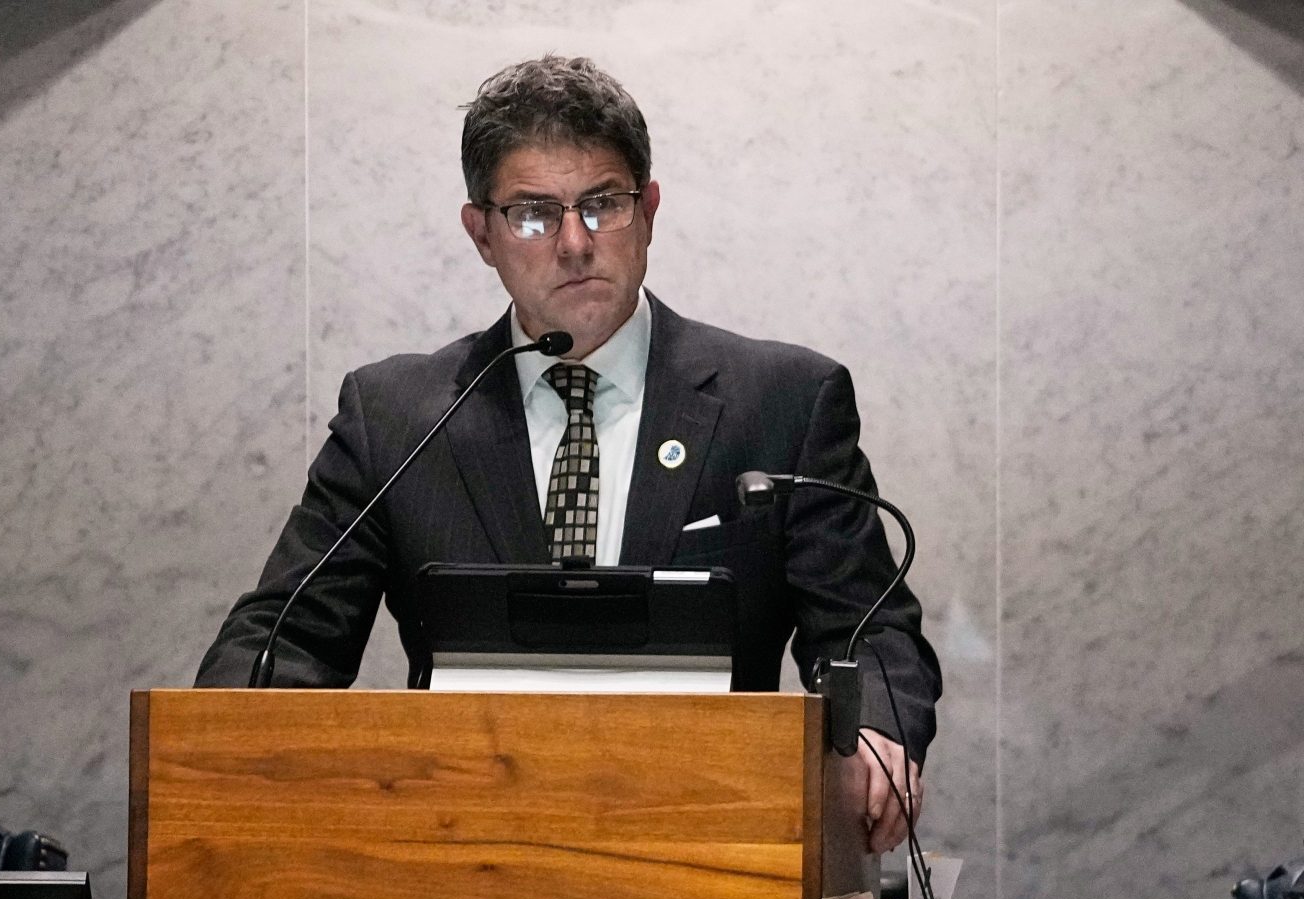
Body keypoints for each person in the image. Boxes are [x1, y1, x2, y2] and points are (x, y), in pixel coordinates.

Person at [196, 55, 942, 854]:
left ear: (648, 211)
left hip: (716, 846)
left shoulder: (783, 403)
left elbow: (869, 627)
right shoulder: (398, 419)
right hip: (462, 851)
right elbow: (287, 637)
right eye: (533, 214)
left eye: (602, 204)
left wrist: (875, 728)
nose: (576, 243)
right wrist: (218, 749)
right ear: (480, 234)